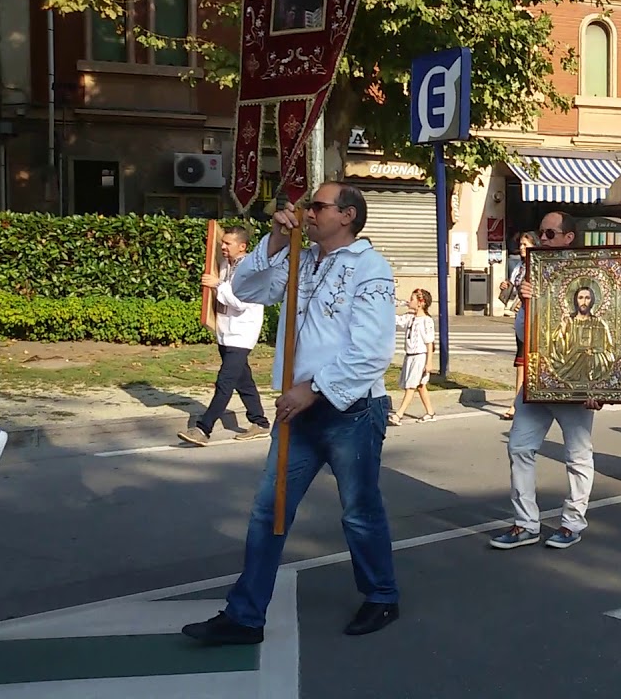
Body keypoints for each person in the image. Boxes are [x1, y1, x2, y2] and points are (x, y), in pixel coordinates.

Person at [182, 182, 400, 645]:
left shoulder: (370, 267)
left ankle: (381, 595)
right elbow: (245, 289)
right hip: (296, 411)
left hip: (352, 410)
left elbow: (373, 352)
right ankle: (245, 616)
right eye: (307, 205)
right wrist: (277, 240)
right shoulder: (299, 256)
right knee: (269, 510)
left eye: (317, 206)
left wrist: (315, 388)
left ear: (347, 215)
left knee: (358, 511)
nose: (307, 212)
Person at [490, 212, 603, 551]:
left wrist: (601, 385)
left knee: (577, 455)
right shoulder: (532, 275)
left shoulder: (590, 274)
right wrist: (527, 302)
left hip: (576, 380)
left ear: (569, 237)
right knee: (519, 448)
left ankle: (572, 523)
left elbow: (605, 333)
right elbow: (523, 333)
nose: (543, 239)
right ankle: (526, 523)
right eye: (541, 233)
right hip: (539, 379)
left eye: (550, 233)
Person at [178, 226, 271, 447]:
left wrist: (218, 285)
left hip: (242, 335)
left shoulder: (252, 270)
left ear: (242, 246)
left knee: (225, 382)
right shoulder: (224, 265)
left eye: (228, 243)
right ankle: (260, 422)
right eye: (223, 242)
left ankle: (203, 429)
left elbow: (241, 302)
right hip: (225, 332)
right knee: (243, 382)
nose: (223, 247)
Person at [500, 232, 536, 420]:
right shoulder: (519, 266)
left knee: (531, 361)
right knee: (521, 362)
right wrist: (506, 286)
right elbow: (514, 286)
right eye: (521, 244)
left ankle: (524, 402)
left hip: (535, 318)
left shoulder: (538, 266)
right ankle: (517, 403)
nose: (522, 248)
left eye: (525, 245)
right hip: (521, 317)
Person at [388, 288, 436, 425]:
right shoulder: (410, 317)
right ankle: (430, 412)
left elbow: (429, 343)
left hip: (420, 356)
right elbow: (396, 320)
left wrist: (429, 362)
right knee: (420, 385)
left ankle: (399, 414)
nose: (409, 301)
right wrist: (391, 306)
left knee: (411, 386)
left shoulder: (426, 321)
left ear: (421, 303)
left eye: (412, 299)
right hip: (409, 356)